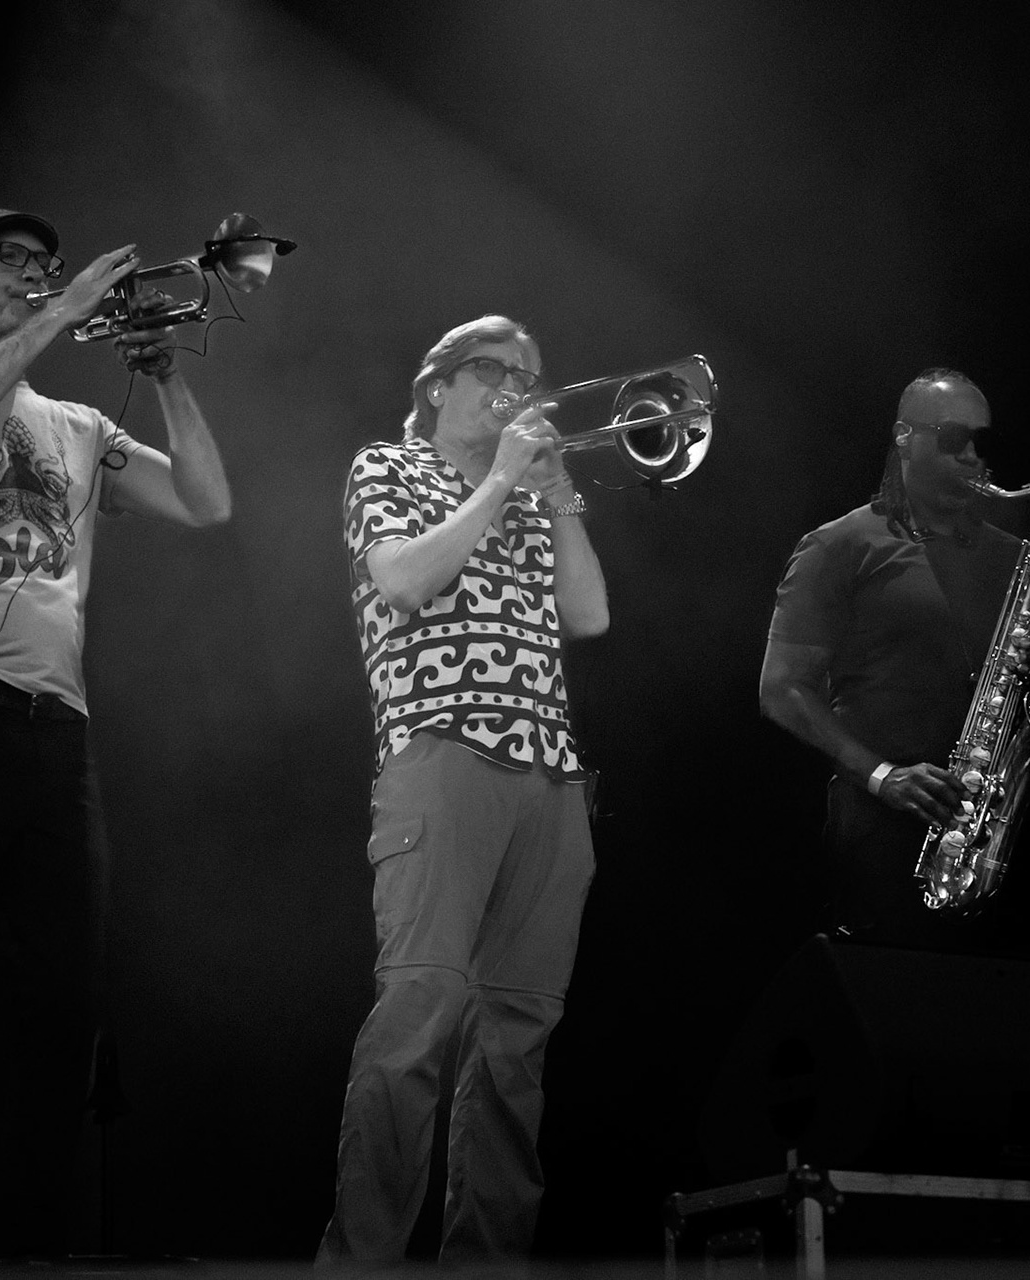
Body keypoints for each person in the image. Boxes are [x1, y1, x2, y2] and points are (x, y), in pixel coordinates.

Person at [0, 208, 233, 1265]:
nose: (31, 275)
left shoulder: (75, 425)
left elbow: (206, 501)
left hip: (53, 739)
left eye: (41, 264)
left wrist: (165, 376)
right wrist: (63, 312)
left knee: (68, 1009)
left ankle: (43, 1244)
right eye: (7, 263)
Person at [319, 315, 608, 1266]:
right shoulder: (385, 467)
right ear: (438, 384)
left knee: (516, 1047)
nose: (518, 390)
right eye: (496, 371)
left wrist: (558, 494)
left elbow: (590, 616)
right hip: (444, 754)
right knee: (418, 1016)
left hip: (549, 774)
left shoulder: (530, 500)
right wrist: (496, 482)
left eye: (530, 376)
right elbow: (403, 579)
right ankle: (360, 1263)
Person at [759, 368, 1030, 949]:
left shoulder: (1012, 557)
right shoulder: (840, 545)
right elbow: (781, 689)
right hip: (882, 827)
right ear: (905, 437)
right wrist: (882, 776)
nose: (974, 456)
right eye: (955, 438)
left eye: (983, 441)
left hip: (991, 827)